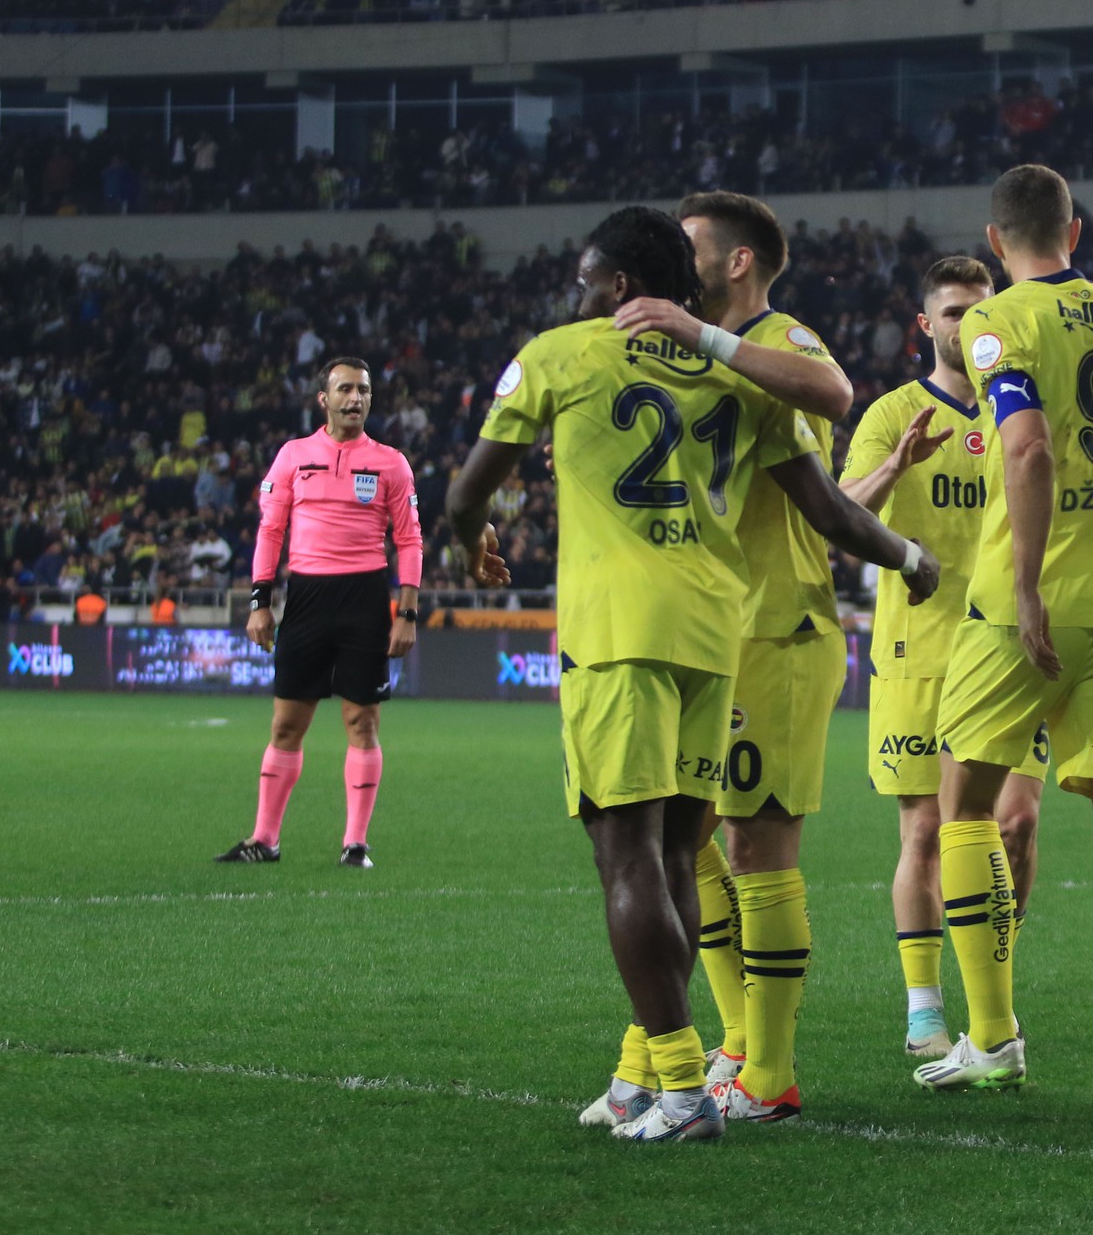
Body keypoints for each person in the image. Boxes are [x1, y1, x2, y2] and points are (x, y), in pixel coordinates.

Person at [446, 206, 937, 1143]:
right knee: (681, 857)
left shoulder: (564, 352)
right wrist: (910, 559)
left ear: (621, 286)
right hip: (717, 634)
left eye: (589, 280)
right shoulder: (735, 375)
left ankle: (682, 1083)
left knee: (628, 855)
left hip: (622, 629)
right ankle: (652, 1071)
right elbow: (827, 506)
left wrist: (475, 542)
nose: (581, 295)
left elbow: (469, 489)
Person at [913, 164, 1093, 1112]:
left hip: (1020, 605)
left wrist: (1032, 584)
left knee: (962, 809)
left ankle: (991, 1038)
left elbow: (1029, 446)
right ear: (1072, 231)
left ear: (996, 244)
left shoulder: (998, 321)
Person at [609, 190, 858, 1123]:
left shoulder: (784, 337)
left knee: (755, 844)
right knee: (687, 837)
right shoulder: (686, 356)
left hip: (778, 625)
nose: (681, 260)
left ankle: (771, 1074)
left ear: (738, 261)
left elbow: (833, 394)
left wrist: (698, 337)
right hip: (712, 628)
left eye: (693, 246)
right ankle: (739, 1037)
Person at [839, 253, 1049, 1059]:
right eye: (951, 312)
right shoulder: (892, 412)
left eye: (977, 309)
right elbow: (834, 509)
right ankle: (925, 1005)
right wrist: (896, 467)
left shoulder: (1021, 410)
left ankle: (988, 982)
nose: (965, 324)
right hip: (915, 650)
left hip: (1002, 646)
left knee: (1018, 825)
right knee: (925, 831)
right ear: (925, 325)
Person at [217, 357, 422, 870]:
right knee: (286, 724)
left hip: (365, 599)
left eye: (364, 391)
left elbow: (410, 540)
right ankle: (265, 839)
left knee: (362, 719)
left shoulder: (391, 462)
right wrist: (260, 602)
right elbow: (270, 532)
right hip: (305, 597)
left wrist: (408, 612)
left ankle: (356, 844)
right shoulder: (292, 456)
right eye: (346, 389)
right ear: (323, 399)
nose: (356, 399)